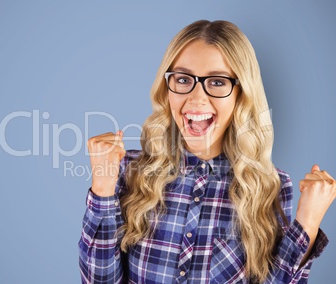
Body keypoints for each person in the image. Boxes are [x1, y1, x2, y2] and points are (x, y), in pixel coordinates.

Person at [79, 20, 334, 283]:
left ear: (241, 94)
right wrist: (102, 187)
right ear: (167, 89)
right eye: (183, 79)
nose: (197, 98)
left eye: (217, 82)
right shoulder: (128, 170)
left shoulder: (271, 187)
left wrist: (308, 221)